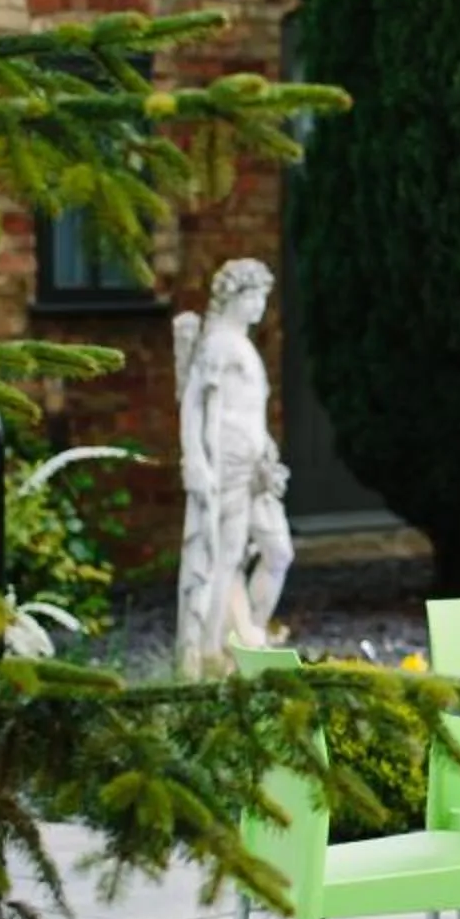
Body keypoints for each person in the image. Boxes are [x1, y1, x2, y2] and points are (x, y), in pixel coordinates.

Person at [174, 258, 293, 676]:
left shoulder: (241, 345)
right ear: (234, 296)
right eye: (254, 295)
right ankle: (213, 651)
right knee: (224, 556)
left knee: (277, 550)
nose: (261, 305)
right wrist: (196, 461)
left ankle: (249, 633)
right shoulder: (219, 344)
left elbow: (250, 414)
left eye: (264, 295)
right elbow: (193, 405)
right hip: (226, 468)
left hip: (255, 470)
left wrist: (268, 452)